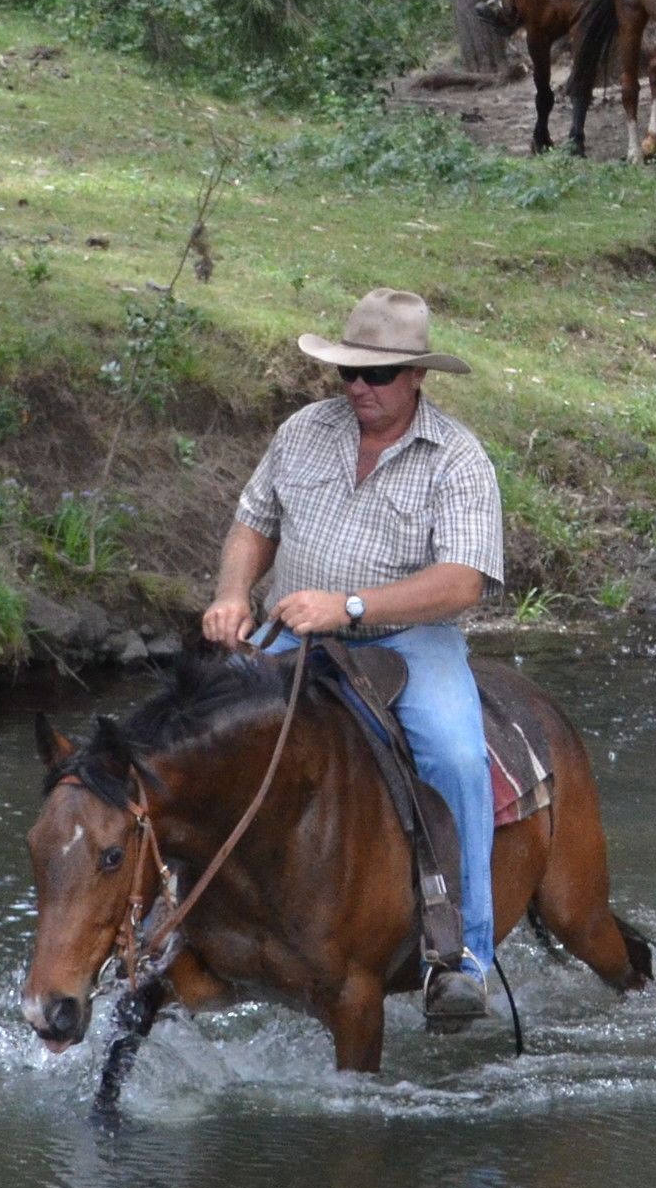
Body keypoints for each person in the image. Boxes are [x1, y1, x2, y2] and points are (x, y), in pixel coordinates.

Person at [201, 288, 510, 1028]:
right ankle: (179, 918)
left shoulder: (457, 457)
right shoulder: (303, 431)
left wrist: (352, 606)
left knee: (458, 756)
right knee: (198, 737)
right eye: (350, 374)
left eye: (379, 375)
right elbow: (253, 525)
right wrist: (232, 594)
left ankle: (460, 956)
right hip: (293, 628)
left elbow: (461, 581)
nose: (360, 389)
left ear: (416, 377)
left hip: (408, 639)